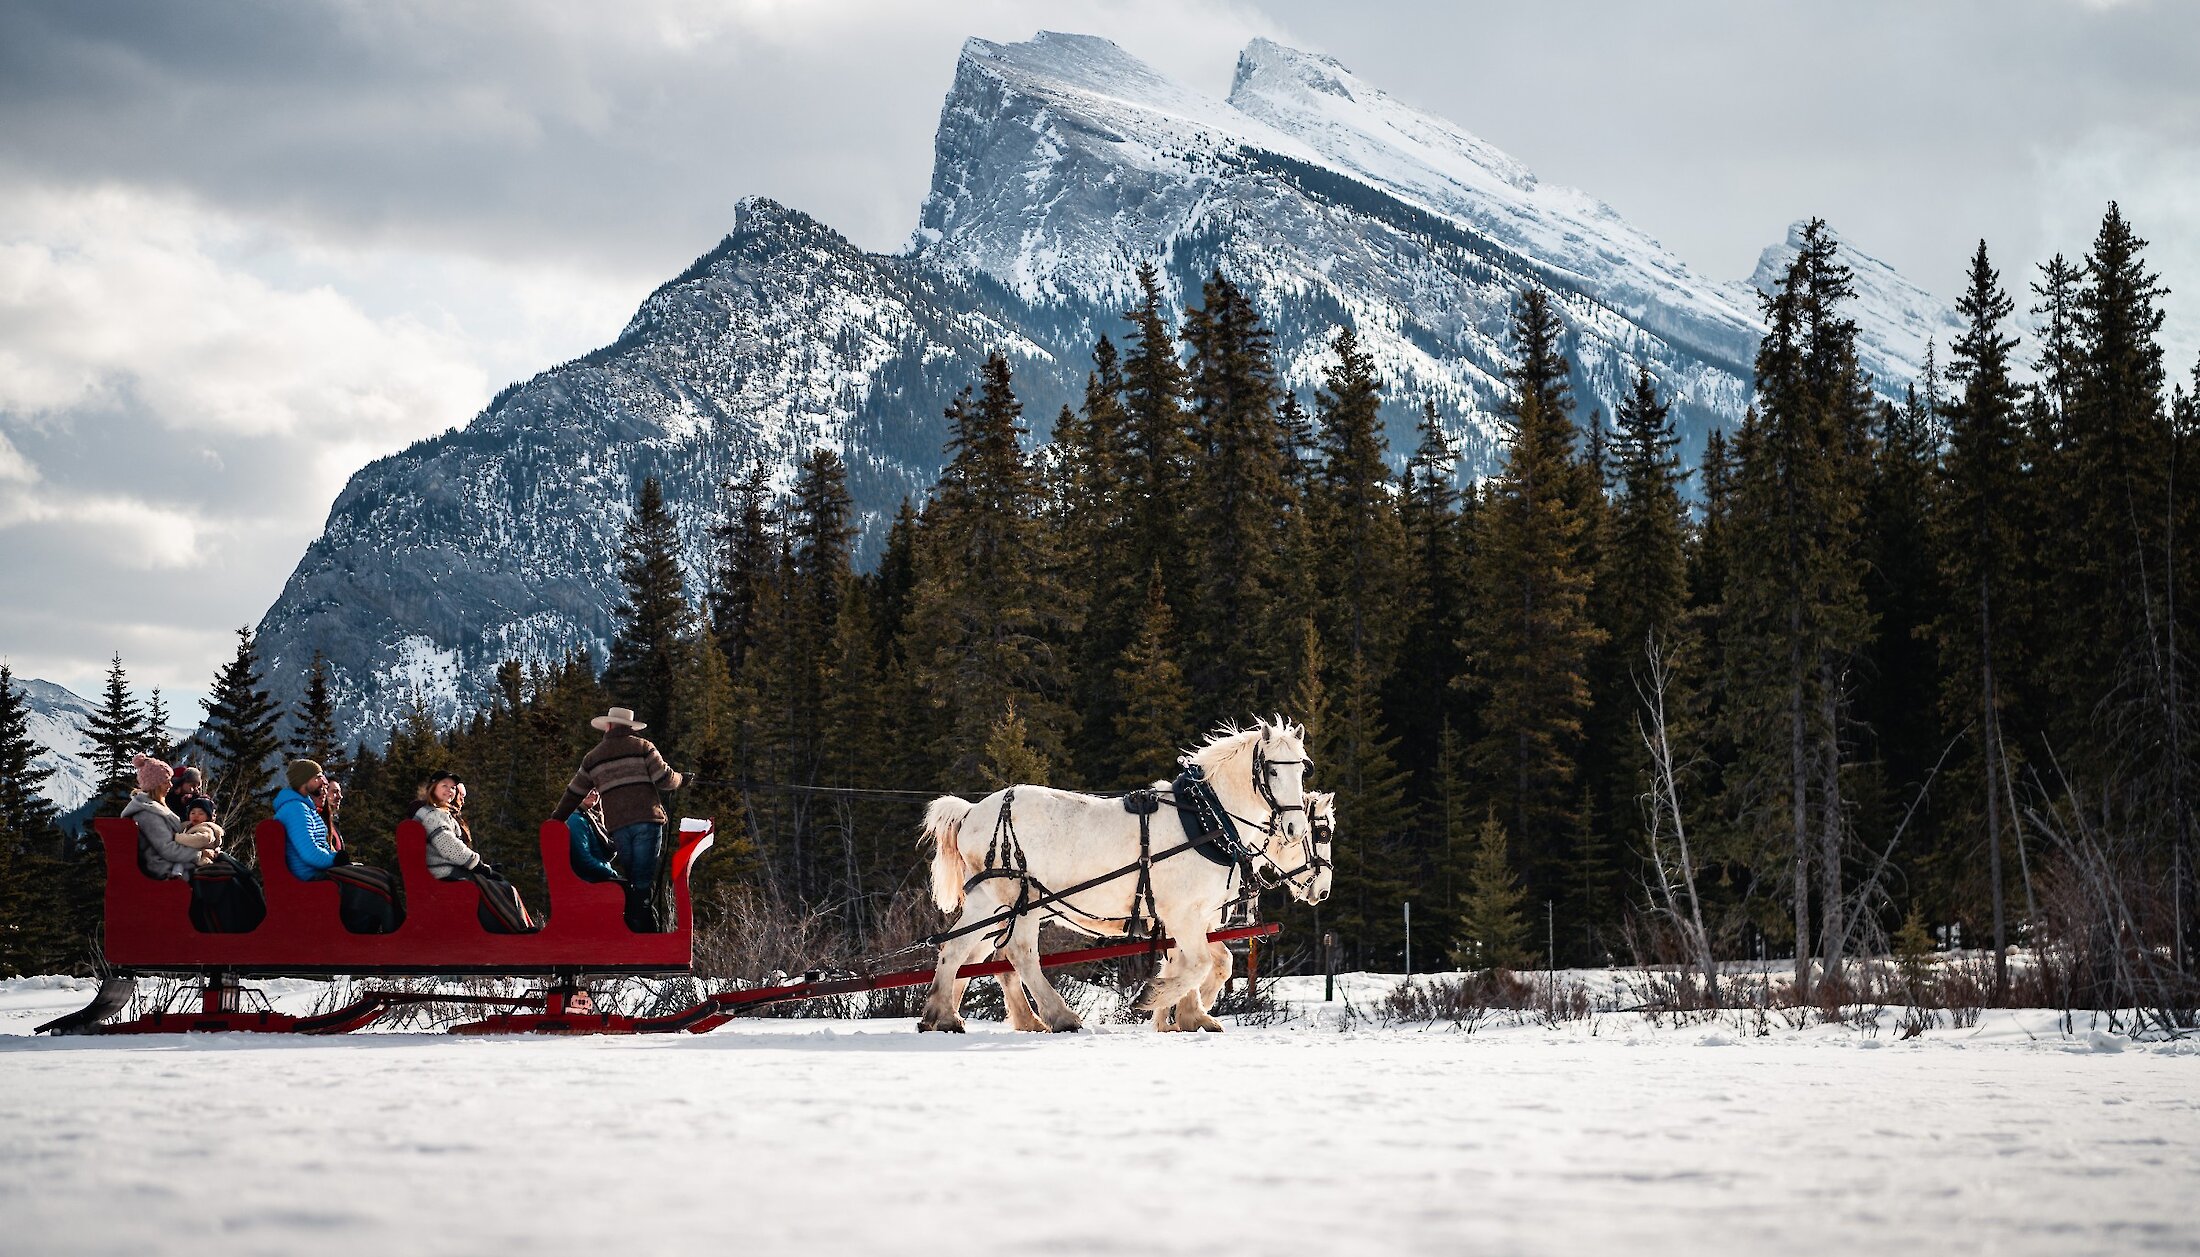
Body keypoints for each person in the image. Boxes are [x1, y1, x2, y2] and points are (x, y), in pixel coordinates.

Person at [552, 706, 683, 932]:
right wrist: (681, 779)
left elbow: (574, 793)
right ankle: (644, 933)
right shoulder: (643, 747)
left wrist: (555, 820)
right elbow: (664, 779)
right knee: (642, 881)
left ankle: (636, 928)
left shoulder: (593, 757)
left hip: (618, 827)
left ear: (609, 726)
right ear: (629, 727)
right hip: (647, 820)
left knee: (632, 878)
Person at [276, 759, 404, 933]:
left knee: (381, 876)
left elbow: (319, 847)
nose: (322, 782)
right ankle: (393, 936)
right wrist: (337, 859)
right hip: (311, 876)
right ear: (304, 780)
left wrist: (341, 862)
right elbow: (309, 853)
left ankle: (383, 932)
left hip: (320, 871)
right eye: (318, 777)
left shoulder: (305, 808)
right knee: (377, 883)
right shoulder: (295, 809)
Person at [413, 771, 535, 933]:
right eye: (444, 786)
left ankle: (519, 927)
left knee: (500, 886)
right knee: (492, 887)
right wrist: (480, 866)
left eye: (453, 788)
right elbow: (450, 847)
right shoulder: (432, 815)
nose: (450, 791)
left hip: (448, 870)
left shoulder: (438, 813)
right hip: (442, 872)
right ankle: (514, 930)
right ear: (432, 788)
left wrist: (482, 867)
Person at [123, 754, 198, 880]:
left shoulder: (153, 808)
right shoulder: (147, 814)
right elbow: (168, 849)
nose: (170, 785)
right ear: (155, 785)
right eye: (165, 782)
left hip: (173, 864)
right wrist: (199, 854)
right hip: (165, 867)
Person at [564, 788, 623, 885]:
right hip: (587, 883)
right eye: (588, 789)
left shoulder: (591, 819)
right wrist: (612, 873)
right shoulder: (576, 820)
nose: (594, 793)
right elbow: (583, 860)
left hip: (596, 879)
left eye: (596, 790)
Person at [175, 797, 224, 867]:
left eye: (201, 813)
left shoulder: (205, 827)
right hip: (192, 857)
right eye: (193, 813)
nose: (196, 816)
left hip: (201, 860)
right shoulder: (187, 826)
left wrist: (177, 837)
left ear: (208, 817)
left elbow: (203, 838)